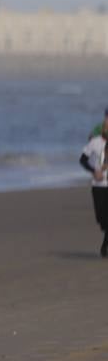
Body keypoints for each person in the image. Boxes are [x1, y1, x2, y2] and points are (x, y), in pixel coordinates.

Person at [80, 108, 108, 257]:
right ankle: (106, 241)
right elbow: (82, 160)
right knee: (102, 219)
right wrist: (93, 171)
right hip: (98, 186)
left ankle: (105, 246)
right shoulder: (95, 142)